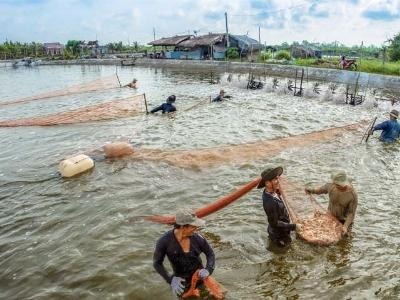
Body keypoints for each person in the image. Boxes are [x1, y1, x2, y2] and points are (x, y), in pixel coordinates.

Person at [153, 209, 215, 297]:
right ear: (183, 227)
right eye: (193, 226)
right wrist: (170, 279)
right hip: (181, 283)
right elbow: (157, 263)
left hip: (200, 277)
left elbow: (210, 254)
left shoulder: (198, 238)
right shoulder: (164, 241)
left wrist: (208, 269)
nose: (196, 229)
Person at [305, 170, 358, 236]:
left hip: (344, 221)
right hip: (330, 217)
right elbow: (319, 190)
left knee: (344, 240)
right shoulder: (331, 186)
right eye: (336, 184)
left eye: (339, 185)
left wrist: (345, 227)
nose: (337, 186)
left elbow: (351, 213)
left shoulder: (352, 195)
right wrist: (310, 190)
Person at [258, 166, 301, 247]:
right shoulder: (269, 202)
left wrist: (278, 192)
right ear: (267, 183)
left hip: (282, 230)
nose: (278, 181)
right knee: (283, 252)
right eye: (275, 180)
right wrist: (294, 226)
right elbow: (274, 223)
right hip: (279, 235)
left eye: (277, 178)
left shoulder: (272, 192)